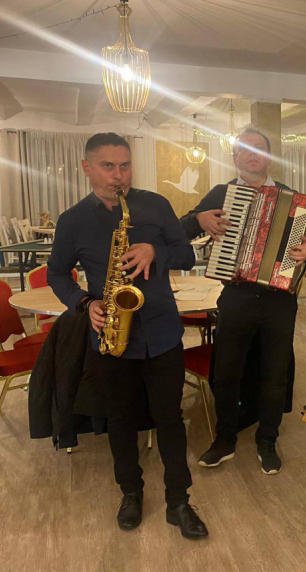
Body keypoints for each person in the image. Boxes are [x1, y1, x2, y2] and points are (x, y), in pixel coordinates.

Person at [47, 133, 208, 539]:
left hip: (163, 332)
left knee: (170, 418)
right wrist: (84, 303)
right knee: (120, 419)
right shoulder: (72, 220)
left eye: (125, 165)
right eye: (108, 166)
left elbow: (187, 254)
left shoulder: (155, 205)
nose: (118, 175)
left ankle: (179, 501)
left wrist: (156, 251)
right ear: (87, 168)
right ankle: (131, 493)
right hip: (111, 337)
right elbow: (56, 273)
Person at [179, 129, 306, 475]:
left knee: (274, 374)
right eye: (245, 149)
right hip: (236, 296)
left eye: (259, 148)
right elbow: (180, 230)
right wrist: (198, 219)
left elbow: (303, 248)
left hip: (278, 300)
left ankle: (267, 440)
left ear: (269, 156)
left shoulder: (293, 200)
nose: (252, 154)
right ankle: (224, 439)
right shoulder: (221, 193)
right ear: (235, 157)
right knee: (226, 373)